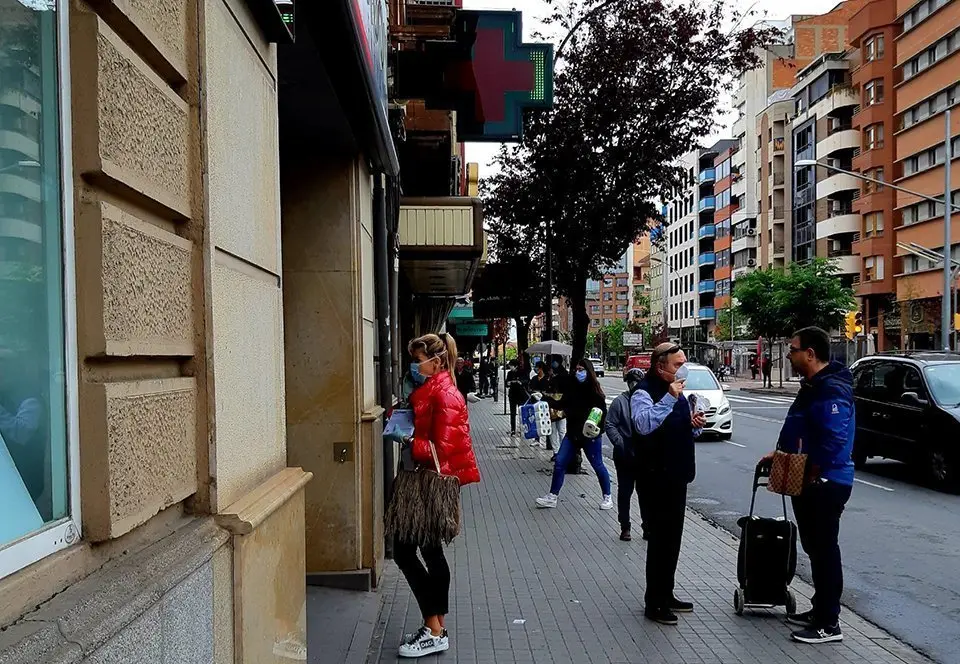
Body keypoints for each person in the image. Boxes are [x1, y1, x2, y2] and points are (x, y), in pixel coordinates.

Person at [763, 326, 854, 645]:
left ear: (810, 354)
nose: (789, 354)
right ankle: (819, 611)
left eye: (793, 349)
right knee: (816, 550)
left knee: (825, 551)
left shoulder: (831, 390)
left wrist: (812, 472)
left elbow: (834, 438)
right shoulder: (813, 386)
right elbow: (801, 429)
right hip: (809, 477)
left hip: (826, 481)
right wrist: (780, 454)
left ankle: (829, 623)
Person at [395, 333, 481, 658]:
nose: (414, 366)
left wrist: (406, 439)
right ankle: (435, 628)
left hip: (432, 484)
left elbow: (440, 450)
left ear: (437, 361)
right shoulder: (432, 390)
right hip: (427, 482)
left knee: (407, 552)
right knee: (428, 554)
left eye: (418, 361)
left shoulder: (445, 394)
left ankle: (434, 629)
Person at [631, 342, 704, 626]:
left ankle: (667, 592)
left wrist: (692, 424)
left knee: (673, 540)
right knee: (660, 540)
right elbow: (643, 424)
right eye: (677, 364)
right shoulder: (644, 392)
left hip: (678, 474)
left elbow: (676, 425)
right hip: (655, 476)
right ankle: (655, 602)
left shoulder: (676, 391)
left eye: (683, 363)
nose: (681, 369)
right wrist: (669, 400)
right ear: (660, 365)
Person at [535, 358, 612, 510]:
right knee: (559, 463)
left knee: (598, 465)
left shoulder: (595, 392)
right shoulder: (572, 388)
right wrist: (545, 399)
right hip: (572, 434)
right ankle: (552, 496)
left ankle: (607, 496)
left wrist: (598, 430)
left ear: (588, 372)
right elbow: (561, 403)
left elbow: (602, 413)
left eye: (581, 370)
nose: (578, 372)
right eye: (576, 369)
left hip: (590, 436)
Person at [607, 368, 650, 542]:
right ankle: (625, 526)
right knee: (625, 492)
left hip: (644, 454)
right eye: (632, 382)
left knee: (645, 493)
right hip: (625, 453)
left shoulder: (647, 400)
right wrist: (620, 442)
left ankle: (647, 526)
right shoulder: (619, 402)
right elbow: (610, 424)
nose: (635, 385)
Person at [506, 358, 530, 437]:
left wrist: (520, 382)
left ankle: (522, 429)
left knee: (521, 413)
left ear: (515, 366)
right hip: (512, 395)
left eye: (511, 366)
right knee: (512, 413)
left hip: (520, 395)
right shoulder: (509, 373)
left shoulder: (522, 372)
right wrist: (509, 383)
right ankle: (513, 429)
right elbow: (507, 383)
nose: (510, 367)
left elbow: (526, 380)